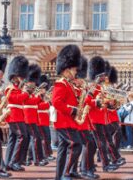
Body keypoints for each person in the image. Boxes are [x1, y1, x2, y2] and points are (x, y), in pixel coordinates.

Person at [53, 44, 85, 180]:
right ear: (66, 70)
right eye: (73, 69)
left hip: (68, 121)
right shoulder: (61, 84)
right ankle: (66, 173)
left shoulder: (68, 84)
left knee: (63, 149)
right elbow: (56, 102)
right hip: (63, 121)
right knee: (76, 144)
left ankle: (59, 176)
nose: (75, 72)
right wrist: (73, 110)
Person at [4, 55, 30, 172]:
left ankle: (8, 162)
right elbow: (17, 100)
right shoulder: (10, 88)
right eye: (19, 76)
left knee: (13, 139)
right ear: (14, 77)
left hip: (18, 116)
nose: (21, 79)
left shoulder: (18, 88)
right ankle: (14, 161)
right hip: (14, 116)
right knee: (22, 136)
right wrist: (25, 92)